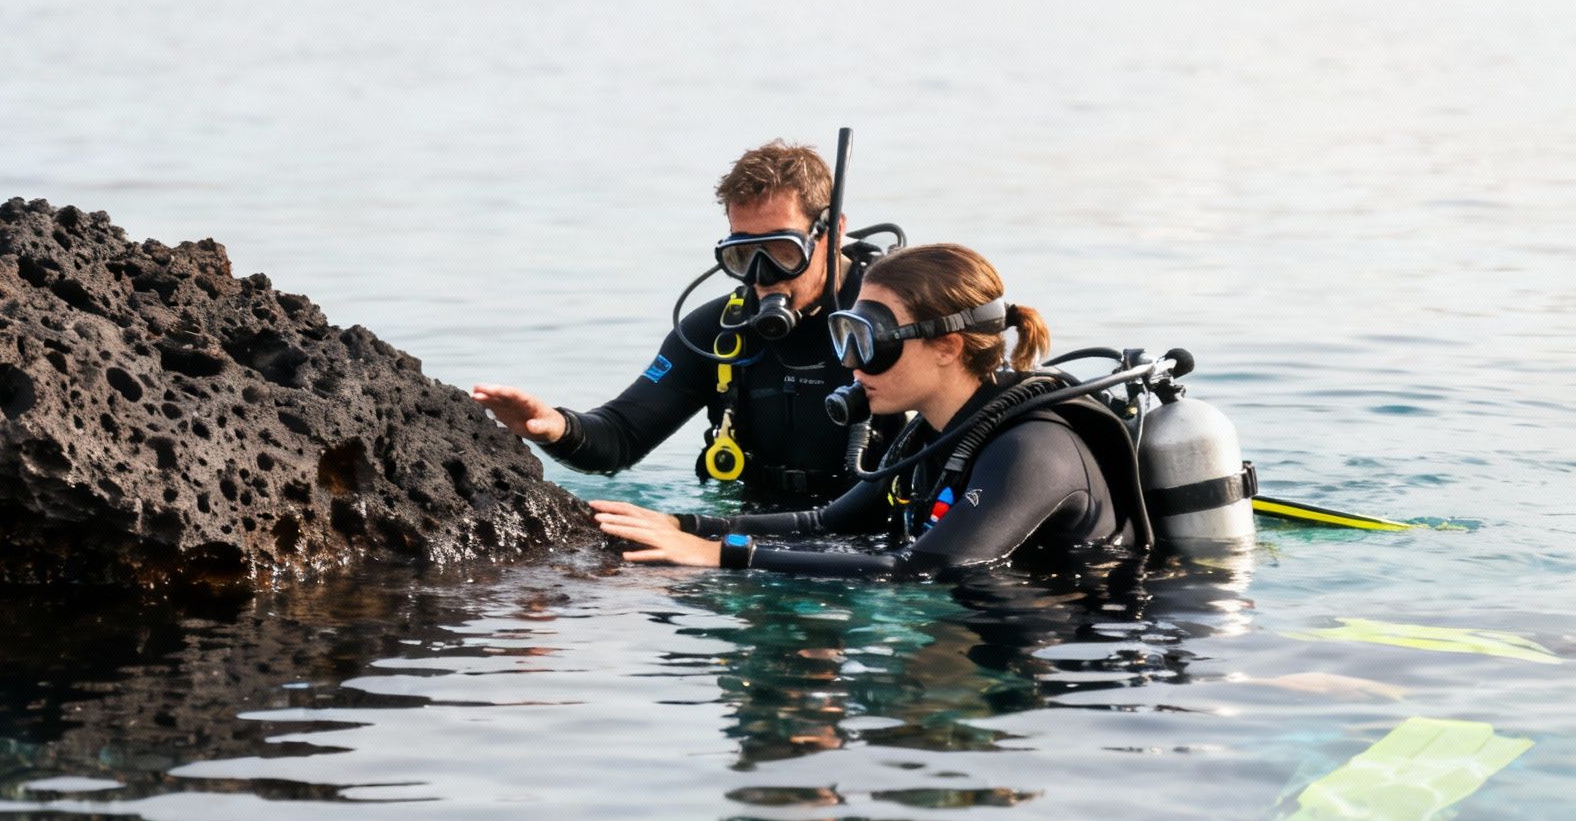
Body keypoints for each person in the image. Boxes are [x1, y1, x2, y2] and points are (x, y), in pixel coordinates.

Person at [590, 243, 1151, 578]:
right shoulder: (930, 436)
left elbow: (926, 568)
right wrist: (680, 525)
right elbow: (825, 523)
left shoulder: (1031, 449)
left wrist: (722, 556)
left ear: (948, 346)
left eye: (871, 340)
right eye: (845, 336)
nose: (851, 363)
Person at [471, 141, 902, 508]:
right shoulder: (717, 332)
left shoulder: (899, 321)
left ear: (832, 230)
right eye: (742, 256)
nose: (762, 275)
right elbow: (620, 438)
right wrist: (554, 427)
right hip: (756, 537)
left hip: (875, 541)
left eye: (782, 252)